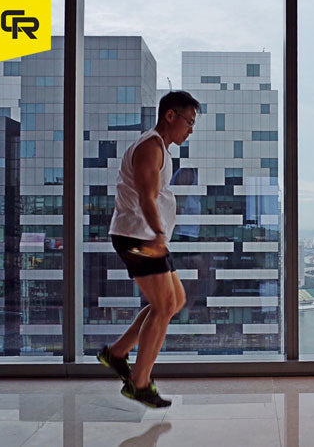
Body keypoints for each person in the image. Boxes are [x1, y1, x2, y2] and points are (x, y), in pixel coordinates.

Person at [96, 90, 200, 408]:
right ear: (171, 115)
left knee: (173, 301)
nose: (191, 129)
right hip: (138, 238)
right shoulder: (150, 148)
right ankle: (138, 383)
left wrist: (159, 235)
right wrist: (157, 233)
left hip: (149, 237)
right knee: (165, 305)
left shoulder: (161, 149)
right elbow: (145, 197)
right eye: (189, 121)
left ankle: (116, 353)